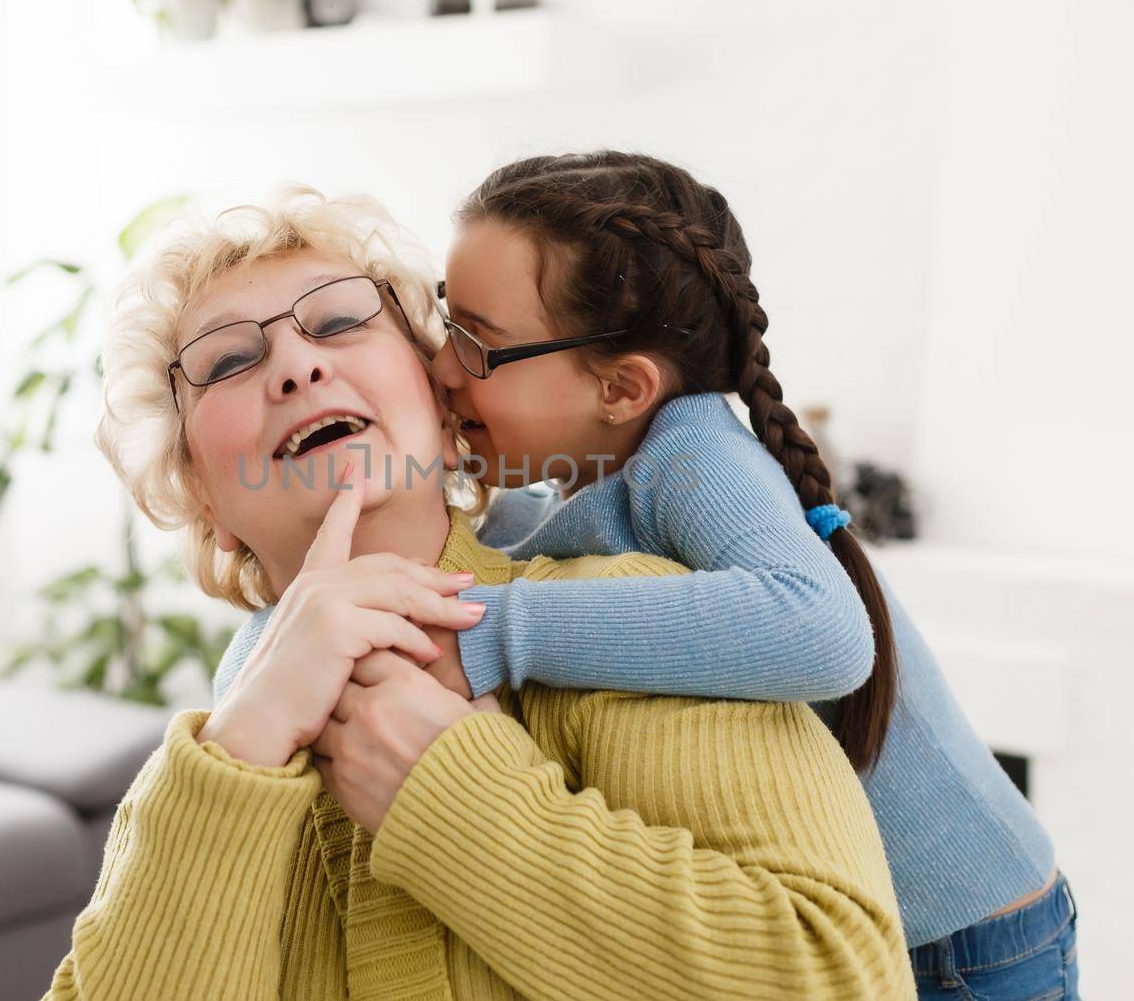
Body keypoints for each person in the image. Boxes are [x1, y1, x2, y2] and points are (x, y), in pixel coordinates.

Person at [220, 151, 1077, 1000]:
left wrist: (502, 631)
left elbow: (824, 629)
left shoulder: (693, 451)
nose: (444, 367)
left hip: (968, 935)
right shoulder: (579, 468)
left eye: (480, 344)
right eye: (449, 324)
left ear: (622, 388)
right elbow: (501, 549)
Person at [46, 188, 914, 999]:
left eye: (341, 320)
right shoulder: (209, 767)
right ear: (202, 497)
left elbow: (845, 974)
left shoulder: (640, 619)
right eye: (228, 360)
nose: (298, 365)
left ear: (440, 401)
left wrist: (455, 795)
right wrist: (242, 745)